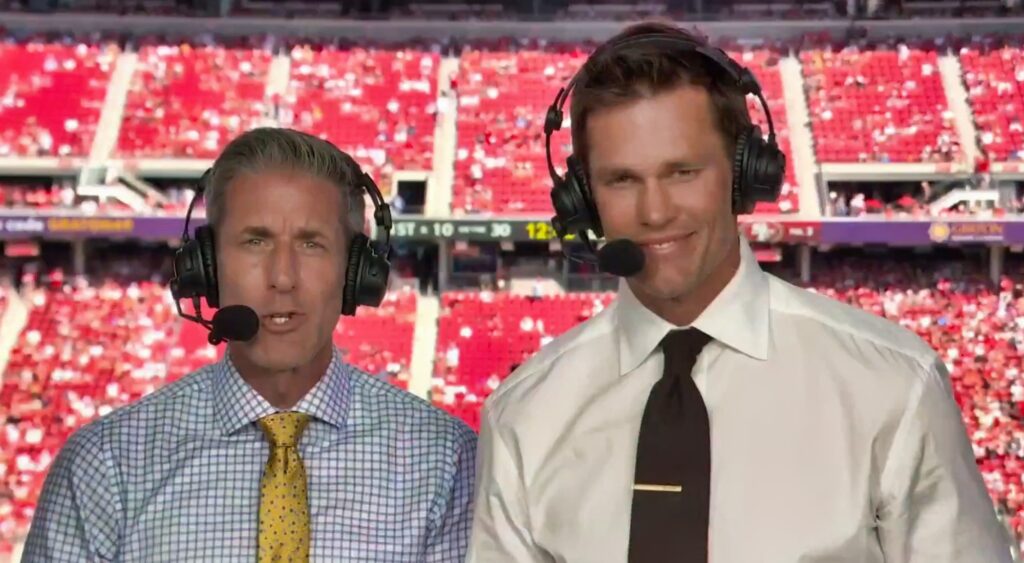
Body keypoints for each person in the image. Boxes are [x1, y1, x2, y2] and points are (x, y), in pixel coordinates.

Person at [467, 22, 1012, 563]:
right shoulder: (523, 418)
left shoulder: (893, 386)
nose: (655, 213)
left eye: (683, 171)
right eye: (622, 180)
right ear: (582, 200)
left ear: (743, 173)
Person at [24, 128, 477, 562]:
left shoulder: (445, 463)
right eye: (254, 241)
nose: (282, 277)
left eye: (312, 244)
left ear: (356, 272)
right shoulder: (105, 467)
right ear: (207, 266)